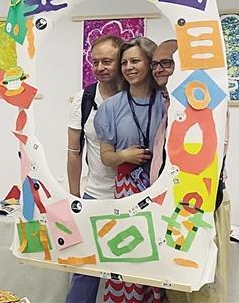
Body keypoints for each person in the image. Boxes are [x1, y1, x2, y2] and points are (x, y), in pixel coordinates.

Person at [149, 40, 231, 303]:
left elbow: (208, 156)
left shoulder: (204, 102)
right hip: (172, 204)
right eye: (155, 64)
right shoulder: (167, 102)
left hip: (198, 202)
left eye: (166, 63)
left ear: (183, 66)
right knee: (176, 280)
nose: (158, 70)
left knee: (201, 284)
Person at [95, 37, 166, 303]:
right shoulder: (111, 107)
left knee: (158, 259)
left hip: (162, 190)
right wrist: (124, 155)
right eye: (124, 63)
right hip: (127, 190)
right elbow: (106, 157)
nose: (128, 68)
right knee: (128, 255)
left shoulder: (167, 102)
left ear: (150, 63)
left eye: (135, 61)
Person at [65, 35, 123, 303]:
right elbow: (73, 152)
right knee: (84, 268)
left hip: (133, 196)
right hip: (95, 195)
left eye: (107, 61)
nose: (100, 67)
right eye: (95, 61)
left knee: (130, 271)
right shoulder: (84, 99)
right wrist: (74, 197)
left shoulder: (138, 96)